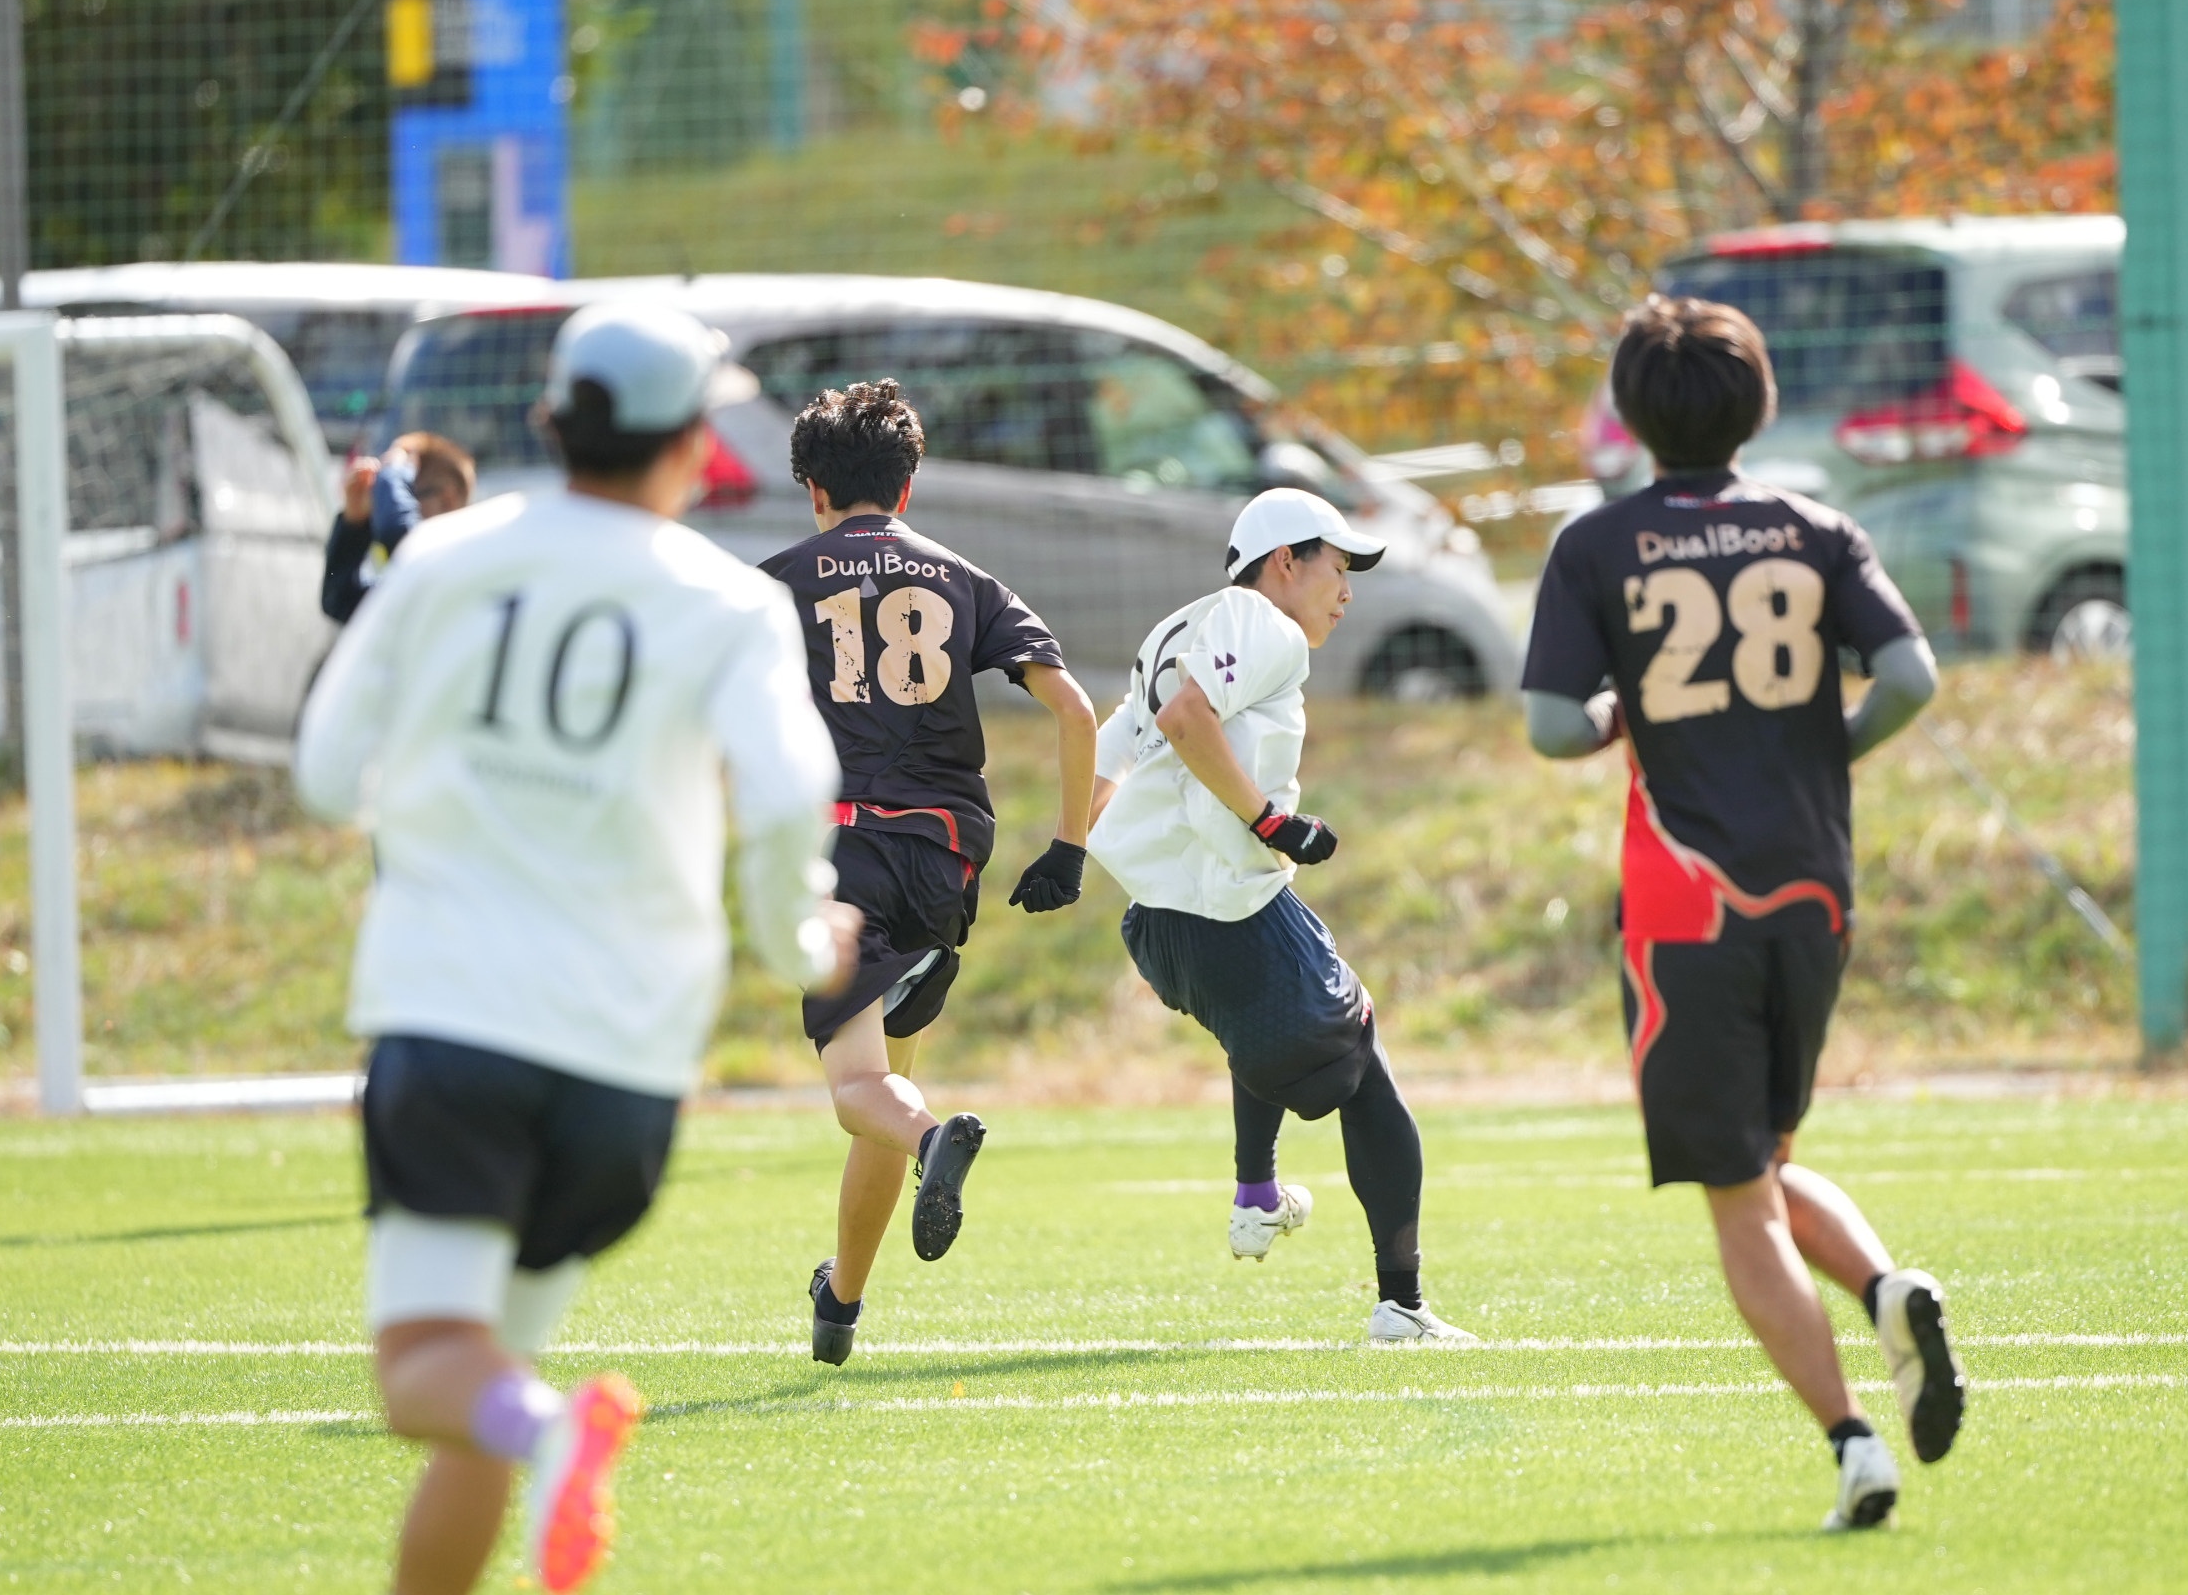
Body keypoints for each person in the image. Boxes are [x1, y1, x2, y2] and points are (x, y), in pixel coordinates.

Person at [295, 302, 852, 1595]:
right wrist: (800, 941)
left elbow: (325, 772)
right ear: (693, 443)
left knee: (427, 1375)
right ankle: (534, 1436)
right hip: (626, 1065)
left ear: (551, 420)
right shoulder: (727, 599)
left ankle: (552, 1433)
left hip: (454, 1025)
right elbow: (786, 797)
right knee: (479, 1390)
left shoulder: (447, 558)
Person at [1522, 294, 1965, 1530]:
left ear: (1629, 415)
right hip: (1815, 887)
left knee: (1734, 1191)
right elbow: (1912, 675)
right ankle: (1885, 1289)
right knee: (1764, 1155)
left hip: (1688, 910)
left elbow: (1551, 725)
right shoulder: (1817, 528)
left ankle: (1854, 1446)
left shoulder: (1598, 545)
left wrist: (1618, 716)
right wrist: (1829, 752)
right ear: (1758, 405)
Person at [760, 378, 1098, 1367]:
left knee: (861, 1090)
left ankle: (933, 1141)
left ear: (814, 489)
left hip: (843, 853)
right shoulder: (964, 578)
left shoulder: (775, 583)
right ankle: (841, 1301)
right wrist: (1069, 847)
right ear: (907, 487)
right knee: (887, 1083)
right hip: (945, 860)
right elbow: (1076, 711)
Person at [1088, 486, 1472, 1344]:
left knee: (1262, 1030)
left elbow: (1110, 749)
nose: (1347, 590)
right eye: (1338, 567)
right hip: (1229, 911)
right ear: (1286, 562)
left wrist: (1070, 847)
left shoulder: (1176, 628)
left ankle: (1257, 1195)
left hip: (1162, 925)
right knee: (1365, 1072)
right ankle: (1402, 1307)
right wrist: (1268, 819)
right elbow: (1186, 718)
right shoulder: (1262, 622)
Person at [322, 432, 477, 622]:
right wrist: (354, 525)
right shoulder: (411, 579)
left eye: (406, 494)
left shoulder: (469, 564)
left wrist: (391, 474)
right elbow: (338, 601)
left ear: (447, 500)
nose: (384, 507)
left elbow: (401, 537)